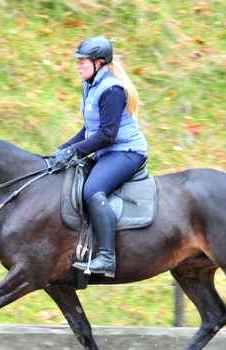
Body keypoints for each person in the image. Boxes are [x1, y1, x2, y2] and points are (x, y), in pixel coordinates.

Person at [50, 36, 148, 278]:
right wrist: (62, 150)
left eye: (81, 62)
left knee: (92, 190)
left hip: (125, 152)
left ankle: (106, 257)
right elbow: (89, 130)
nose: (77, 66)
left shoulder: (112, 89)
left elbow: (107, 135)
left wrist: (75, 151)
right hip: (106, 150)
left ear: (98, 63)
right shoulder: (91, 84)